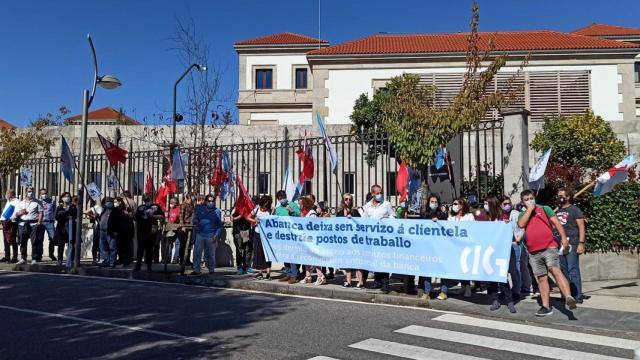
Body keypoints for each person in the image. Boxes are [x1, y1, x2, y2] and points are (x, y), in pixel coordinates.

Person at [517, 189, 577, 316]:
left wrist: (564, 238)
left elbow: (557, 223)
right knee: (542, 278)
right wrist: (529, 209)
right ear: (523, 202)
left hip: (549, 246)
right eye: (526, 199)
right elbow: (521, 224)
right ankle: (545, 306)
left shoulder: (545, 209)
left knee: (555, 269)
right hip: (533, 251)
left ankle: (568, 297)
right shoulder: (522, 214)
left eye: (531, 198)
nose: (529, 201)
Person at [484, 195, 516, 313]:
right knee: (490, 278)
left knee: (502, 277)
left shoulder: (502, 217)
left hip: (501, 252)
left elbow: (508, 233)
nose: (485, 206)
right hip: (488, 252)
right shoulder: (485, 217)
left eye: (487, 203)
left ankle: (509, 301)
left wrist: (506, 225)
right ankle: (494, 300)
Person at [360, 184, 395, 293]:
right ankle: (377, 282)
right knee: (375, 259)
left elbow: (393, 217)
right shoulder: (367, 206)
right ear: (372, 194)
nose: (380, 195)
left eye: (381, 192)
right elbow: (364, 220)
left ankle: (385, 283)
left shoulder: (387, 204)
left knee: (383, 259)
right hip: (372, 239)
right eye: (377, 193)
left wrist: (385, 220)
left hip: (383, 238)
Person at [556, 188, 586, 304]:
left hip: (572, 242)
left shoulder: (575, 210)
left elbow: (582, 227)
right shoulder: (557, 211)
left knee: (573, 269)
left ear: (568, 197)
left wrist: (581, 243)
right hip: (559, 245)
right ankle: (566, 295)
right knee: (562, 271)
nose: (559, 197)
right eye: (558, 196)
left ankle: (578, 295)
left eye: (562, 195)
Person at [417, 195, 448, 300]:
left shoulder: (442, 214)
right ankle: (427, 292)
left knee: (442, 269)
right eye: (432, 201)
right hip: (428, 246)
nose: (433, 203)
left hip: (440, 246)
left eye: (435, 201)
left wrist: (439, 220)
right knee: (427, 269)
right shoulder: (424, 214)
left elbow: (446, 225)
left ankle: (444, 291)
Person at [448, 197, 475, 299]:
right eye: (453, 204)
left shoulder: (469, 216)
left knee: (465, 267)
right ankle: (463, 287)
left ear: (462, 206)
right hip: (455, 247)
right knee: (458, 268)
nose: (454, 206)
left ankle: (468, 288)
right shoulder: (451, 218)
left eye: (456, 204)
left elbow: (472, 230)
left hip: (466, 246)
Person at [191, 194, 222, 275]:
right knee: (197, 253)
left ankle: (211, 270)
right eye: (209, 201)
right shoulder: (200, 209)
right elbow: (195, 219)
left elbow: (219, 225)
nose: (211, 203)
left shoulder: (217, 211)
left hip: (211, 235)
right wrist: (196, 222)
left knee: (210, 254)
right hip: (200, 234)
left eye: (212, 201)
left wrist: (216, 235)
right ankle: (196, 270)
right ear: (206, 201)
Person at [336, 193, 363, 288]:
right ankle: (348, 281)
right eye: (346, 199)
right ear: (343, 201)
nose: (348, 201)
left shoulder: (355, 212)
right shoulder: (339, 213)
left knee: (357, 261)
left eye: (350, 199)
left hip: (355, 240)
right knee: (347, 261)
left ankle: (360, 282)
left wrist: (352, 219)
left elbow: (361, 224)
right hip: (345, 241)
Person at [274, 190, 301, 284]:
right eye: (280, 198)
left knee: (293, 255)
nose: (282, 199)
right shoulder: (277, 209)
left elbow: (300, 217)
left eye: (283, 197)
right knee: (285, 255)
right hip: (283, 236)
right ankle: (288, 273)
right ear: (278, 199)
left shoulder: (293, 205)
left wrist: (292, 211)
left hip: (293, 236)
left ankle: (294, 275)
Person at [298, 196, 326, 285]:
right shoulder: (302, 213)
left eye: (300, 204)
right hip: (305, 238)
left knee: (314, 258)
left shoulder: (311, 213)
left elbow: (313, 225)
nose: (299, 205)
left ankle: (321, 276)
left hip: (312, 239)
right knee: (306, 258)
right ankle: (308, 276)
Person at [134, 194, 164, 272]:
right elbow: (136, 218)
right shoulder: (140, 207)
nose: (147, 201)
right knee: (140, 249)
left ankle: (149, 266)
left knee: (149, 249)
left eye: (148, 199)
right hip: (141, 230)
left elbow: (162, 216)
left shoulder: (156, 207)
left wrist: (154, 216)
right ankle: (138, 265)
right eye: (145, 200)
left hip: (151, 230)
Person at [14, 186, 43, 265]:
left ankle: (34, 258)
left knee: (34, 242)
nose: (30, 193)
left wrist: (39, 222)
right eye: (29, 191)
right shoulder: (21, 203)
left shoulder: (37, 202)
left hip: (33, 224)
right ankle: (23, 258)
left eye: (31, 191)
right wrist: (22, 212)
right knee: (22, 241)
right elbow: (16, 214)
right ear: (25, 192)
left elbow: (40, 212)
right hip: (23, 224)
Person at [247, 195, 273, 280]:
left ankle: (268, 273)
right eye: (265, 204)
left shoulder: (270, 211)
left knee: (267, 253)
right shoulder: (256, 209)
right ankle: (260, 272)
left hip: (267, 235)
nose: (266, 206)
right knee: (258, 252)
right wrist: (255, 220)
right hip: (257, 233)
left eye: (267, 205)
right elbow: (248, 217)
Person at [54, 192, 76, 267]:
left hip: (70, 227)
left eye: (68, 196)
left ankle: (71, 260)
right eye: (65, 196)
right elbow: (57, 217)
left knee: (71, 244)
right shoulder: (59, 207)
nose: (67, 198)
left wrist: (64, 214)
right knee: (60, 245)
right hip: (61, 228)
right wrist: (66, 214)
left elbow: (73, 215)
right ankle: (59, 260)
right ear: (62, 198)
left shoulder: (73, 206)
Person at [36, 188, 58, 262]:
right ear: (40, 194)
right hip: (41, 222)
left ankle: (51, 254)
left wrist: (53, 219)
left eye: (45, 193)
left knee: (52, 239)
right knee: (39, 239)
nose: (44, 195)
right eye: (42, 193)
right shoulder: (37, 202)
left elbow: (55, 211)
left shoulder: (52, 201)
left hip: (50, 222)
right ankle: (39, 255)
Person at [114, 197, 134, 266]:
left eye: (116, 201)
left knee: (127, 246)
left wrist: (127, 214)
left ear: (120, 202)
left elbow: (131, 216)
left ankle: (128, 260)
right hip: (120, 230)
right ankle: (121, 259)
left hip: (127, 230)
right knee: (119, 246)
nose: (115, 203)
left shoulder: (126, 208)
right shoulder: (116, 209)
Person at [1, 189, 20, 263]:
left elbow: (16, 212)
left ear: (11, 194)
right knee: (6, 240)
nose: (6, 195)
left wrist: (9, 220)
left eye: (7, 193)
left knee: (12, 240)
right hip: (5, 222)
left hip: (11, 223)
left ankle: (14, 257)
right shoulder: (8, 201)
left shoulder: (16, 201)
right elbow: (5, 212)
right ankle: (7, 256)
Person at [232, 207, 252, 275]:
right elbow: (232, 219)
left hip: (246, 231)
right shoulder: (235, 208)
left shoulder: (248, 208)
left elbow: (251, 219)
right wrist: (241, 215)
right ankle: (239, 267)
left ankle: (246, 266)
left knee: (247, 250)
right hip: (238, 231)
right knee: (240, 250)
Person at [179, 193, 196, 266]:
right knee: (183, 244)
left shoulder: (192, 205)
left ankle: (187, 260)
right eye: (191, 199)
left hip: (190, 226)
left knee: (189, 244)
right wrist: (182, 226)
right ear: (187, 198)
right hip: (185, 226)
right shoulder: (183, 205)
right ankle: (182, 260)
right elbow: (181, 216)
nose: (192, 200)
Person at [85, 199, 103, 265]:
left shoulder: (105, 208)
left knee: (101, 242)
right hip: (98, 226)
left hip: (102, 226)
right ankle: (95, 259)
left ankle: (99, 258)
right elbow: (86, 212)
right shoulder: (97, 207)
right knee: (96, 241)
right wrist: (93, 216)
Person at [166, 197, 181, 263]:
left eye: (172, 202)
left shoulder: (179, 209)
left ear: (176, 203)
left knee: (177, 243)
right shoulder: (170, 209)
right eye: (170, 202)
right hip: (170, 227)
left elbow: (179, 217)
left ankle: (176, 258)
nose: (171, 204)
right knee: (169, 243)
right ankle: (168, 257)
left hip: (177, 227)